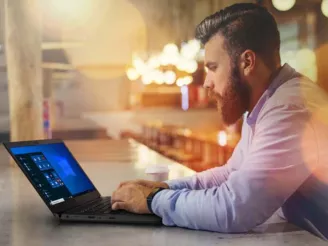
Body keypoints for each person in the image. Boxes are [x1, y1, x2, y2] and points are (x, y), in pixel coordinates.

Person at [111, 3, 328, 238]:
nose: (206, 82)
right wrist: (165, 188)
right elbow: (230, 173)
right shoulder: (267, 102)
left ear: (247, 62)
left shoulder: (289, 108)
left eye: (213, 68)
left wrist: (152, 201)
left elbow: (234, 209)